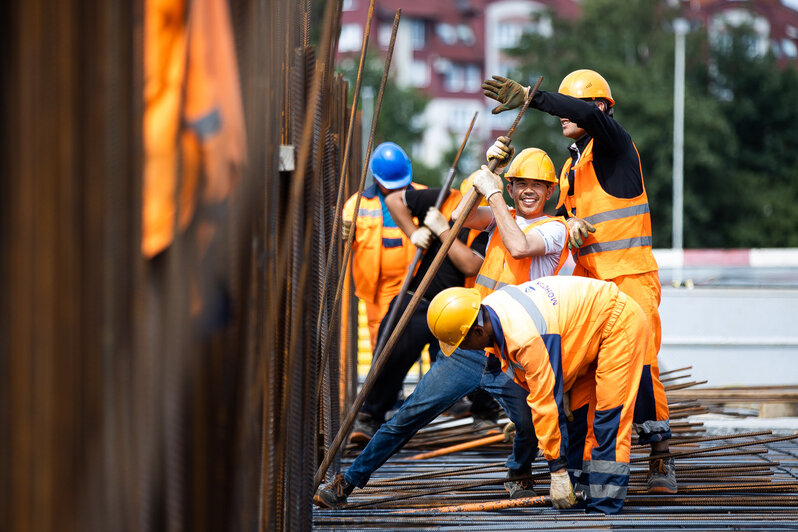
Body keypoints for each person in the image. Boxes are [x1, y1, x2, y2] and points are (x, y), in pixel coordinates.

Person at [314, 145, 568, 509]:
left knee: (529, 423)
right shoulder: (499, 214)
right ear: (511, 188)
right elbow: (461, 215)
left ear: (550, 191)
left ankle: (519, 472)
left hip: (516, 351)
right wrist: (484, 177)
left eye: (538, 185)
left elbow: (518, 246)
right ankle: (348, 483)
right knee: (409, 415)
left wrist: (493, 191)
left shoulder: (553, 229)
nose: (529, 191)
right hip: (471, 342)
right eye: (521, 184)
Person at [482, 69, 676, 494]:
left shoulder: (617, 147)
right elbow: (574, 218)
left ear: (601, 110)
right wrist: (569, 225)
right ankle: (592, 464)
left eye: (577, 105)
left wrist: (533, 98)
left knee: (640, 368)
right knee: (589, 375)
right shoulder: (574, 164)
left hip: (630, 276)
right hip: (593, 286)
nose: (563, 115)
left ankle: (660, 455)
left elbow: (582, 111)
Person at [427, 276, 648, 514]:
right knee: (579, 420)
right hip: (591, 330)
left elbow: (546, 400)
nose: (463, 350)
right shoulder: (492, 311)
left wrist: (557, 470)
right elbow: (538, 381)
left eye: (462, 343)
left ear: (478, 330)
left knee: (608, 420)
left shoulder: (525, 336)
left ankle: (605, 507)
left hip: (618, 323)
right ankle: (582, 494)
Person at [347, 179, 497, 447]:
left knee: (482, 353)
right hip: (422, 297)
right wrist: (413, 231)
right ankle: (370, 415)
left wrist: (442, 231)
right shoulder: (443, 197)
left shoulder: (489, 220)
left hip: (465, 308)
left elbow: (470, 264)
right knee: (391, 349)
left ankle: (483, 413)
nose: (467, 209)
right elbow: (394, 201)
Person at [342, 141, 428, 350]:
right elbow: (343, 243)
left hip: (416, 282)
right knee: (380, 337)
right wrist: (342, 233)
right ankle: (383, 380)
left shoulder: (425, 195)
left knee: (419, 333)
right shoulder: (357, 205)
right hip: (377, 286)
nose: (398, 189)